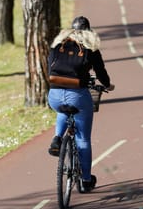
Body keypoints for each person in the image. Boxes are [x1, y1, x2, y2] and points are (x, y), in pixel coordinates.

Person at [47, 16, 114, 193]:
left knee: (63, 109)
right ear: (88, 32)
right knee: (83, 138)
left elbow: (50, 67)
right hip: (77, 95)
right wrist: (107, 85)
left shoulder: (57, 44)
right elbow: (100, 71)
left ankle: (57, 138)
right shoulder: (90, 48)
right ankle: (85, 181)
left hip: (54, 94)